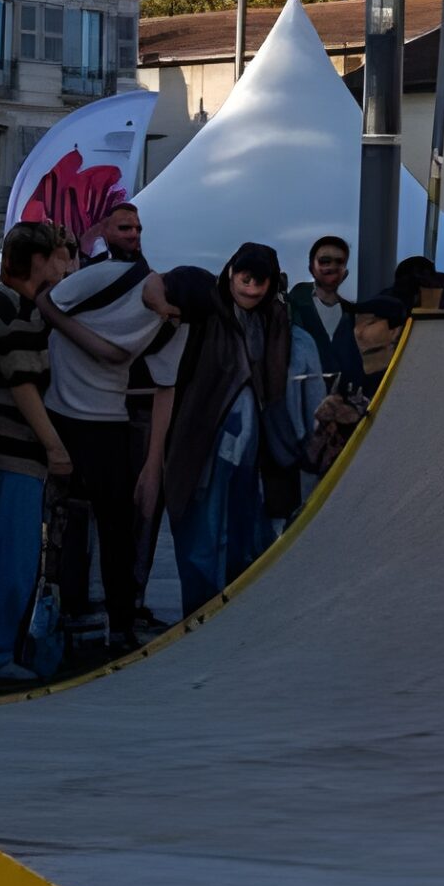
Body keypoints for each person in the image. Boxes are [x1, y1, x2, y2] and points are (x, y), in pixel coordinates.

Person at [39, 211, 178, 651]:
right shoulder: (100, 278)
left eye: (138, 229)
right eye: (125, 228)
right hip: (64, 413)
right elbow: (48, 304)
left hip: (109, 420)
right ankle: (60, 614)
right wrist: (101, 348)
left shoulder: (170, 318)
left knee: (115, 527)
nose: (134, 235)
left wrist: (152, 464)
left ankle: (119, 619)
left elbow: (163, 382)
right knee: (61, 522)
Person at [0, 223, 73, 681]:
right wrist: (54, 446)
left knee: (8, 558)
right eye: (60, 255)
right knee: (7, 561)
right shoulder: (16, 307)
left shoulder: (14, 304)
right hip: (8, 455)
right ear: (39, 261)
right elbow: (23, 383)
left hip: (2, 455)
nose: (66, 264)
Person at [158, 243, 291, 612]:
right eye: (245, 279)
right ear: (231, 273)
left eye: (259, 282)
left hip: (249, 451)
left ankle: (232, 615)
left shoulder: (271, 318)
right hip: (205, 442)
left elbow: (273, 385)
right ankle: (201, 614)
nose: (251, 288)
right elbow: (160, 286)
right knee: (204, 532)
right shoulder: (208, 305)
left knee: (242, 536)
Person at [288, 234, 365, 396]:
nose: (332, 267)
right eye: (325, 261)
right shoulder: (293, 309)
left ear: (345, 272)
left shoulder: (353, 315)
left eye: (339, 262)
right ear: (311, 268)